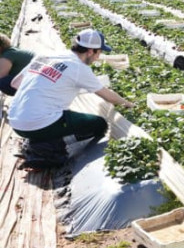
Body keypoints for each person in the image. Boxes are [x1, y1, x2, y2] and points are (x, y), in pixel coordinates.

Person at [8, 29, 135, 166]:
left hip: (15, 122)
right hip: (38, 124)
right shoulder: (79, 68)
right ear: (91, 51)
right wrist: (128, 104)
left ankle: (37, 140)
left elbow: (15, 83)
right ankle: (44, 147)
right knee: (99, 124)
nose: (98, 57)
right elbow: (108, 96)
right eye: (99, 53)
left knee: (56, 117)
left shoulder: (46, 55)